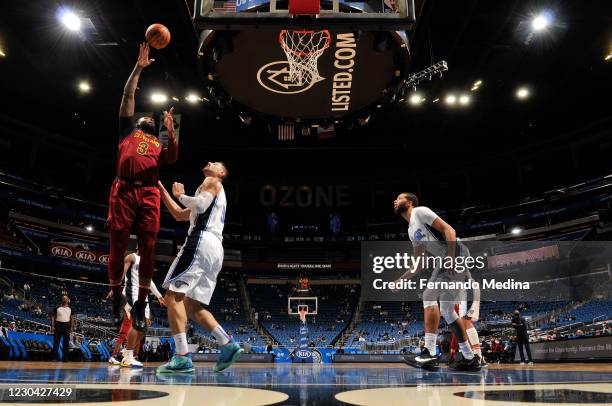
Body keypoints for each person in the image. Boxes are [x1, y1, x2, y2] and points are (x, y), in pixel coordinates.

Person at [107, 43, 178, 333]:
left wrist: (172, 132)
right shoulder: (128, 132)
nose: (149, 116)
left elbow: (172, 158)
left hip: (148, 193)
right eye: (144, 116)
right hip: (123, 190)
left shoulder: (161, 143)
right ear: (137, 121)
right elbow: (127, 95)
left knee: (148, 249)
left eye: (154, 119)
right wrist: (138, 67)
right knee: (118, 245)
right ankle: (116, 296)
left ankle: (139, 303)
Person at [156, 162, 242, 373]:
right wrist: (160, 188)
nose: (210, 163)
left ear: (221, 173)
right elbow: (179, 214)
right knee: (194, 306)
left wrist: (181, 195)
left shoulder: (212, 181)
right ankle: (227, 343)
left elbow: (199, 205)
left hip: (200, 242)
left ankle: (182, 356)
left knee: (172, 296)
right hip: (215, 250)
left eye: (216, 163)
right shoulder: (215, 197)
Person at [393, 192, 480, 371]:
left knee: (428, 294)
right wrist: (401, 280)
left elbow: (449, 230)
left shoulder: (420, 211)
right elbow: (419, 263)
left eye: (399, 198)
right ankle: (470, 358)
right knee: (448, 311)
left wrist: (450, 257)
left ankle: (430, 353)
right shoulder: (411, 230)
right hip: (448, 259)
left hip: (456, 254)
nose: (395, 201)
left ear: (409, 202)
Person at [109, 250, 165, 368]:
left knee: (145, 326)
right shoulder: (132, 257)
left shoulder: (147, 263)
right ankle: (128, 357)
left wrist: (159, 296)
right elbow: (121, 272)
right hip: (132, 293)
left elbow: (149, 281)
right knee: (136, 324)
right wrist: (115, 287)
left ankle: (126, 351)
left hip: (143, 295)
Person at [51, 295, 74, 361]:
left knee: (66, 342)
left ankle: (65, 358)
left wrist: (71, 327)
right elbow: (53, 316)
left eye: (65, 298)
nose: (64, 299)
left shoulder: (70, 308)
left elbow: (72, 318)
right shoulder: (57, 307)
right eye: (63, 298)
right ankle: (54, 357)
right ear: (61, 299)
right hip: (58, 324)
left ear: (67, 300)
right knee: (56, 342)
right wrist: (52, 326)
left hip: (67, 325)